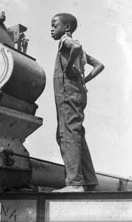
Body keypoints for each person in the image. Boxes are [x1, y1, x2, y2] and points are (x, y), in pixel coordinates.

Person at [51, 13, 104, 192]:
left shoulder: (65, 41)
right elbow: (99, 65)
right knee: (77, 134)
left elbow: (76, 45)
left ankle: (74, 183)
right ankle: (89, 181)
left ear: (66, 28)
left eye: (54, 25)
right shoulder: (82, 52)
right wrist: (83, 81)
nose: (51, 29)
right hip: (78, 94)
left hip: (68, 94)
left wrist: (67, 67)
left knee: (67, 134)